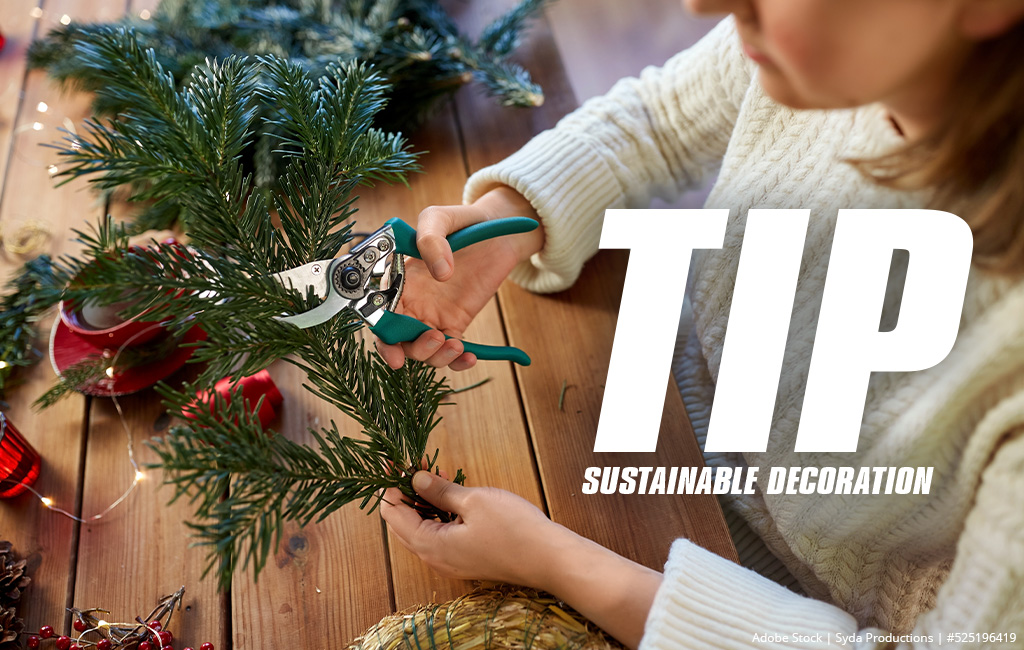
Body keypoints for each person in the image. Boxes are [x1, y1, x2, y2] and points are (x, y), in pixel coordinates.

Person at [378, 0, 1024, 648]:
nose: (702, 4)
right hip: (660, 425)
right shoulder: (832, 56)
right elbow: (658, 122)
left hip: (766, 602)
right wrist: (506, 218)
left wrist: (551, 562)